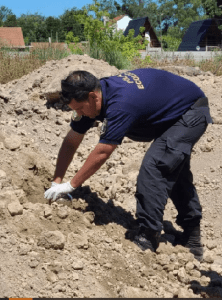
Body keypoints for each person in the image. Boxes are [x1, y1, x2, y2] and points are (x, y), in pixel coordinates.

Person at [44, 69, 212, 261]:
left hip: (189, 112)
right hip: (169, 108)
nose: (79, 113)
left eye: (81, 109)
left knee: (156, 168)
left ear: (93, 97)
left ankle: (148, 236)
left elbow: (103, 151)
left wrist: (72, 185)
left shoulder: (121, 104)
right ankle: (192, 238)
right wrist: (57, 182)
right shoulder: (92, 97)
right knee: (172, 169)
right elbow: (72, 140)